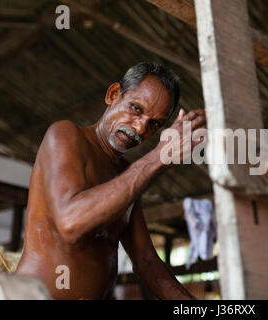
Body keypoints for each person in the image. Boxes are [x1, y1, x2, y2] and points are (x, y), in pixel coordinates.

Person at [15, 62, 206, 299]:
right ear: (113, 95)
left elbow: (146, 261)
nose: (140, 127)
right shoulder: (65, 135)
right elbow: (71, 223)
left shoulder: (127, 174)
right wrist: (159, 157)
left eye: (154, 124)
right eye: (136, 108)